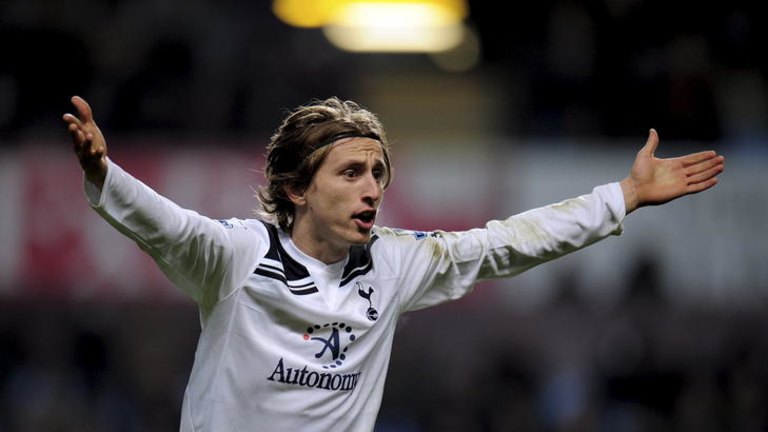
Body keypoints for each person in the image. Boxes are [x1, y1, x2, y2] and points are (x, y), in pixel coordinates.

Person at [63, 95, 724, 431]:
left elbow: (507, 243)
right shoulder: (239, 256)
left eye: (378, 172)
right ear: (297, 188)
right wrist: (103, 172)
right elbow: (171, 228)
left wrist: (623, 196)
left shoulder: (396, 262)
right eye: (350, 172)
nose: (372, 188)